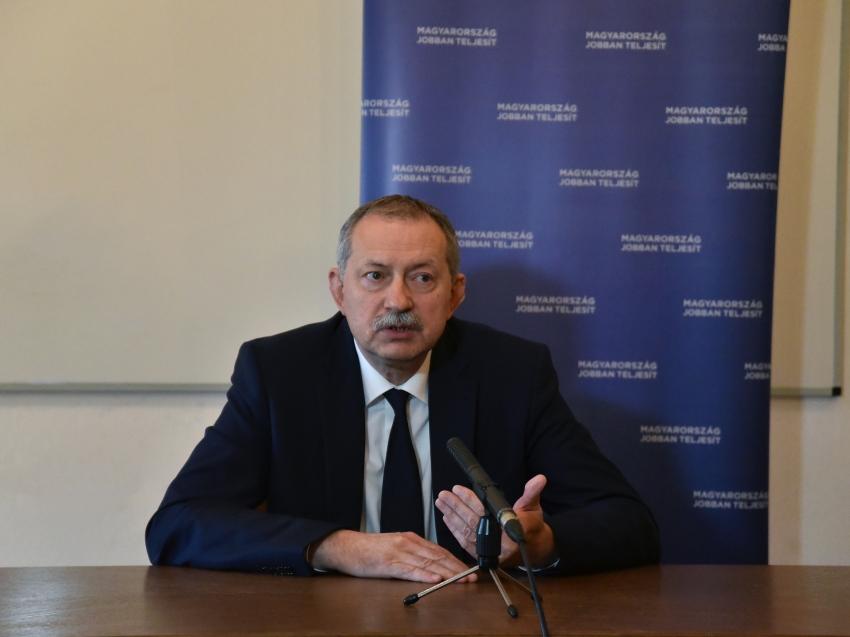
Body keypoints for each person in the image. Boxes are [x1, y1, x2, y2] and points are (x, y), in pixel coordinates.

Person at [146, 195, 660, 582]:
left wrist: (539, 543)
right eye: (374, 276)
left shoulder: (513, 373)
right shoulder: (279, 373)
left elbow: (631, 524)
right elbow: (178, 523)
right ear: (339, 290)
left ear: (455, 294)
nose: (398, 301)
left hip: (469, 621)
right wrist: (337, 547)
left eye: (422, 278)